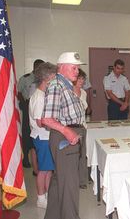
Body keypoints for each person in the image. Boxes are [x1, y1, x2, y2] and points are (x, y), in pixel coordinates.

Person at [41, 52, 86, 219]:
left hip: (69, 135)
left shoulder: (66, 85)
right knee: (69, 187)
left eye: (78, 68)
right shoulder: (56, 86)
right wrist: (67, 131)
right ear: (62, 67)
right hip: (65, 137)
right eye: (74, 68)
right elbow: (46, 119)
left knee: (60, 182)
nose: (77, 71)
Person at [29, 62, 57, 209]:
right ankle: (41, 198)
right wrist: (58, 125)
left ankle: (47, 196)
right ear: (47, 78)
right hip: (42, 137)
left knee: (48, 170)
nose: (55, 79)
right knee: (44, 170)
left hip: (46, 137)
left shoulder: (43, 94)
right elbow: (41, 122)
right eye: (54, 76)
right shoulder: (39, 97)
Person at [18, 58, 44, 172]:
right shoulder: (26, 78)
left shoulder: (43, 79)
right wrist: (24, 104)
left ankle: (38, 161)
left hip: (41, 106)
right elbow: (18, 92)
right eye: (39, 67)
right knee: (27, 131)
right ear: (35, 67)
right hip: (28, 106)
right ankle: (26, 158)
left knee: (38, 132)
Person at [73, 68, 88, 189]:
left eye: (83, 79)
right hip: (71, 127)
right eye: (79, 79)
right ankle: (73, 179)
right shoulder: (69, 91)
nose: (82, 81)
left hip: (82, 125)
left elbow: (84, 108)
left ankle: (82, 181)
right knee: (73, 155)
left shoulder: (84, 92)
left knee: (82, 154)